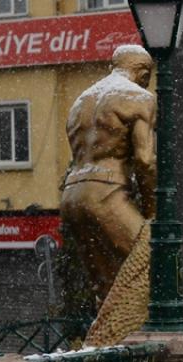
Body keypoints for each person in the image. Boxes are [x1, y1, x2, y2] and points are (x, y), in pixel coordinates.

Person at [61, 46, 157, 301]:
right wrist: (152, 212)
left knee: (107, 288)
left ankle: (108, 339)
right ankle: (146, 335)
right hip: (106, 193)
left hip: (72, 196)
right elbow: (145, 161)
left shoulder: (81, 102)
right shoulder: (139, 98)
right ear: (143, 73)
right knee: (155, 260)